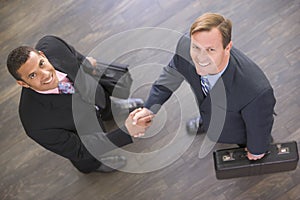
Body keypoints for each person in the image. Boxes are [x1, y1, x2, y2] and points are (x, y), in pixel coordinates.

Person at [131, 13, 276, 160]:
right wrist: (149, 109)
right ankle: (207, 122)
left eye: (210, 50)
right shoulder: (185, 47)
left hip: (238, 130)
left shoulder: (256, 91)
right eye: (196, 48)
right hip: (212, 109)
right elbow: (169, 77)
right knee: (210, 110)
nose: (200, 58)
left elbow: (259, 125)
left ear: (227, 48)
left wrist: (257, 149)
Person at [6, 35, 152, 173]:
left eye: (41, 64)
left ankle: (111, 110)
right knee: (87, 159)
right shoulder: (34, 123)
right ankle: (94, 166)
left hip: (94, 94)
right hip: (84, 134)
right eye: (32, 75)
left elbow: (74, 55)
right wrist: (126, 132)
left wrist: (85, 63)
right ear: (22, 83)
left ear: (42, 55)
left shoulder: (52, 44)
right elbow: (80, 150)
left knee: (102, 101)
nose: (45, 75)